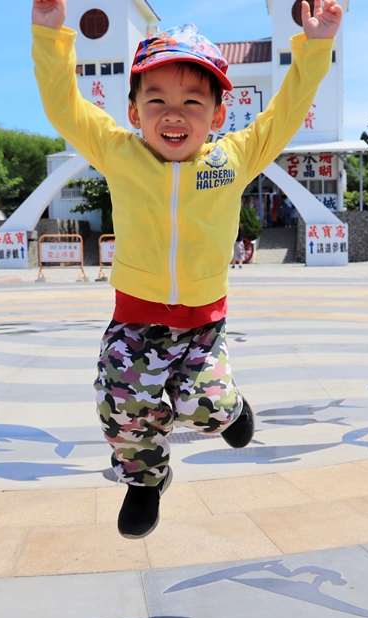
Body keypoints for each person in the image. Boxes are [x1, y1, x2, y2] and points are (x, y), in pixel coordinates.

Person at [31, 0, 342, 538]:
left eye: (192, 101)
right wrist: (50, 36)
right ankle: (145, 481)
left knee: (205, 407)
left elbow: (287, 111)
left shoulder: (233, 159)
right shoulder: (118, 152)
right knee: (122, 404)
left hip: (202, 323)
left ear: (218, 114)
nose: (173, 113)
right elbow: (65, 110)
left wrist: (315, 47)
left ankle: (233, 408)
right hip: (135, 319)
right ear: (133, 111)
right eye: (156, 99)